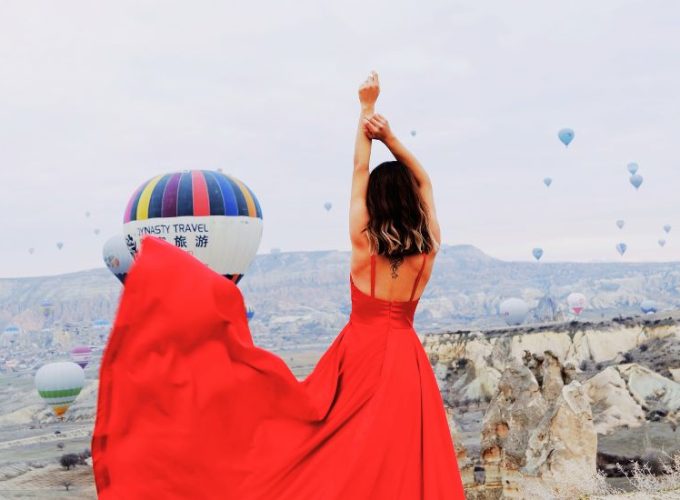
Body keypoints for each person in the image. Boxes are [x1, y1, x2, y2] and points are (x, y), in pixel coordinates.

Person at [91, 72, 465, 499]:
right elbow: (426, 181)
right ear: (414, 202)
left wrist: (367, 114)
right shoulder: (429, 248)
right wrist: (394, 140)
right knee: (402, 448)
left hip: (360, 353)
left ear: (376, 203)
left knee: (333, 442)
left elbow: (361, 168)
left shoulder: (363, 244)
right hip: (405, 358)